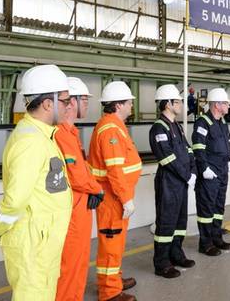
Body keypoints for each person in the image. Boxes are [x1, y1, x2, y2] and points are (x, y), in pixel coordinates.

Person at [0, 64, 73, 300]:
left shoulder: (42, 135)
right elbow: (16, 200)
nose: (69, 106)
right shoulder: (31, 142)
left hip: (41, 242)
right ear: (48, 103)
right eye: (65, 101)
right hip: (32, 246)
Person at [88, 81, 142, 301]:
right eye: (129, 102)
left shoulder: (115, 125)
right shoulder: (111, 129)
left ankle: (114, 280)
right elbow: (115, 169)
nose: (131, 105)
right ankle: (109, 292)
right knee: (111, 243)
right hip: (113, 198)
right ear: (119, 104)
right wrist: (126, 199)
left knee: (116, 243)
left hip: (116, 196)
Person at [56, 77, 105, 301]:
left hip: (80, 207)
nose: (87, 104)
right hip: (73, 211)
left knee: (79, 262)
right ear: (71, 102)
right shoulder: (62, 134)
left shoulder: (72, 133)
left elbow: (82, 168)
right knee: (70, 266)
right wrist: (98, 189)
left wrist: (92, 188)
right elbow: (76, 175)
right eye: (84, 99)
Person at [149, 84, 196, 279]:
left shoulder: (176, 126)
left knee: (180, 221)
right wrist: (187, 175)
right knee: (166, 223)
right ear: (168, 104)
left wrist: (193, 171)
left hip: (181, 182)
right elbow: (167, 158)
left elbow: (189, 150)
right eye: (178, 102)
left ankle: (176, 253)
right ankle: (162, 263)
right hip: (169, 182)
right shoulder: (159, 128)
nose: (181, 105)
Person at [192, 87, 230, 256]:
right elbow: (198, 148)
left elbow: (227, 144)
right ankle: (205, 243)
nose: (229, 106)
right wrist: (204, 169)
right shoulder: (202, 122)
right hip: (210, 173)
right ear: (217, 105)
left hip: (222, 171)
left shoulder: (222, 122)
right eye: (226, 103)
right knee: (206, 210)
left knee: (218, 208)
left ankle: (217, 238)